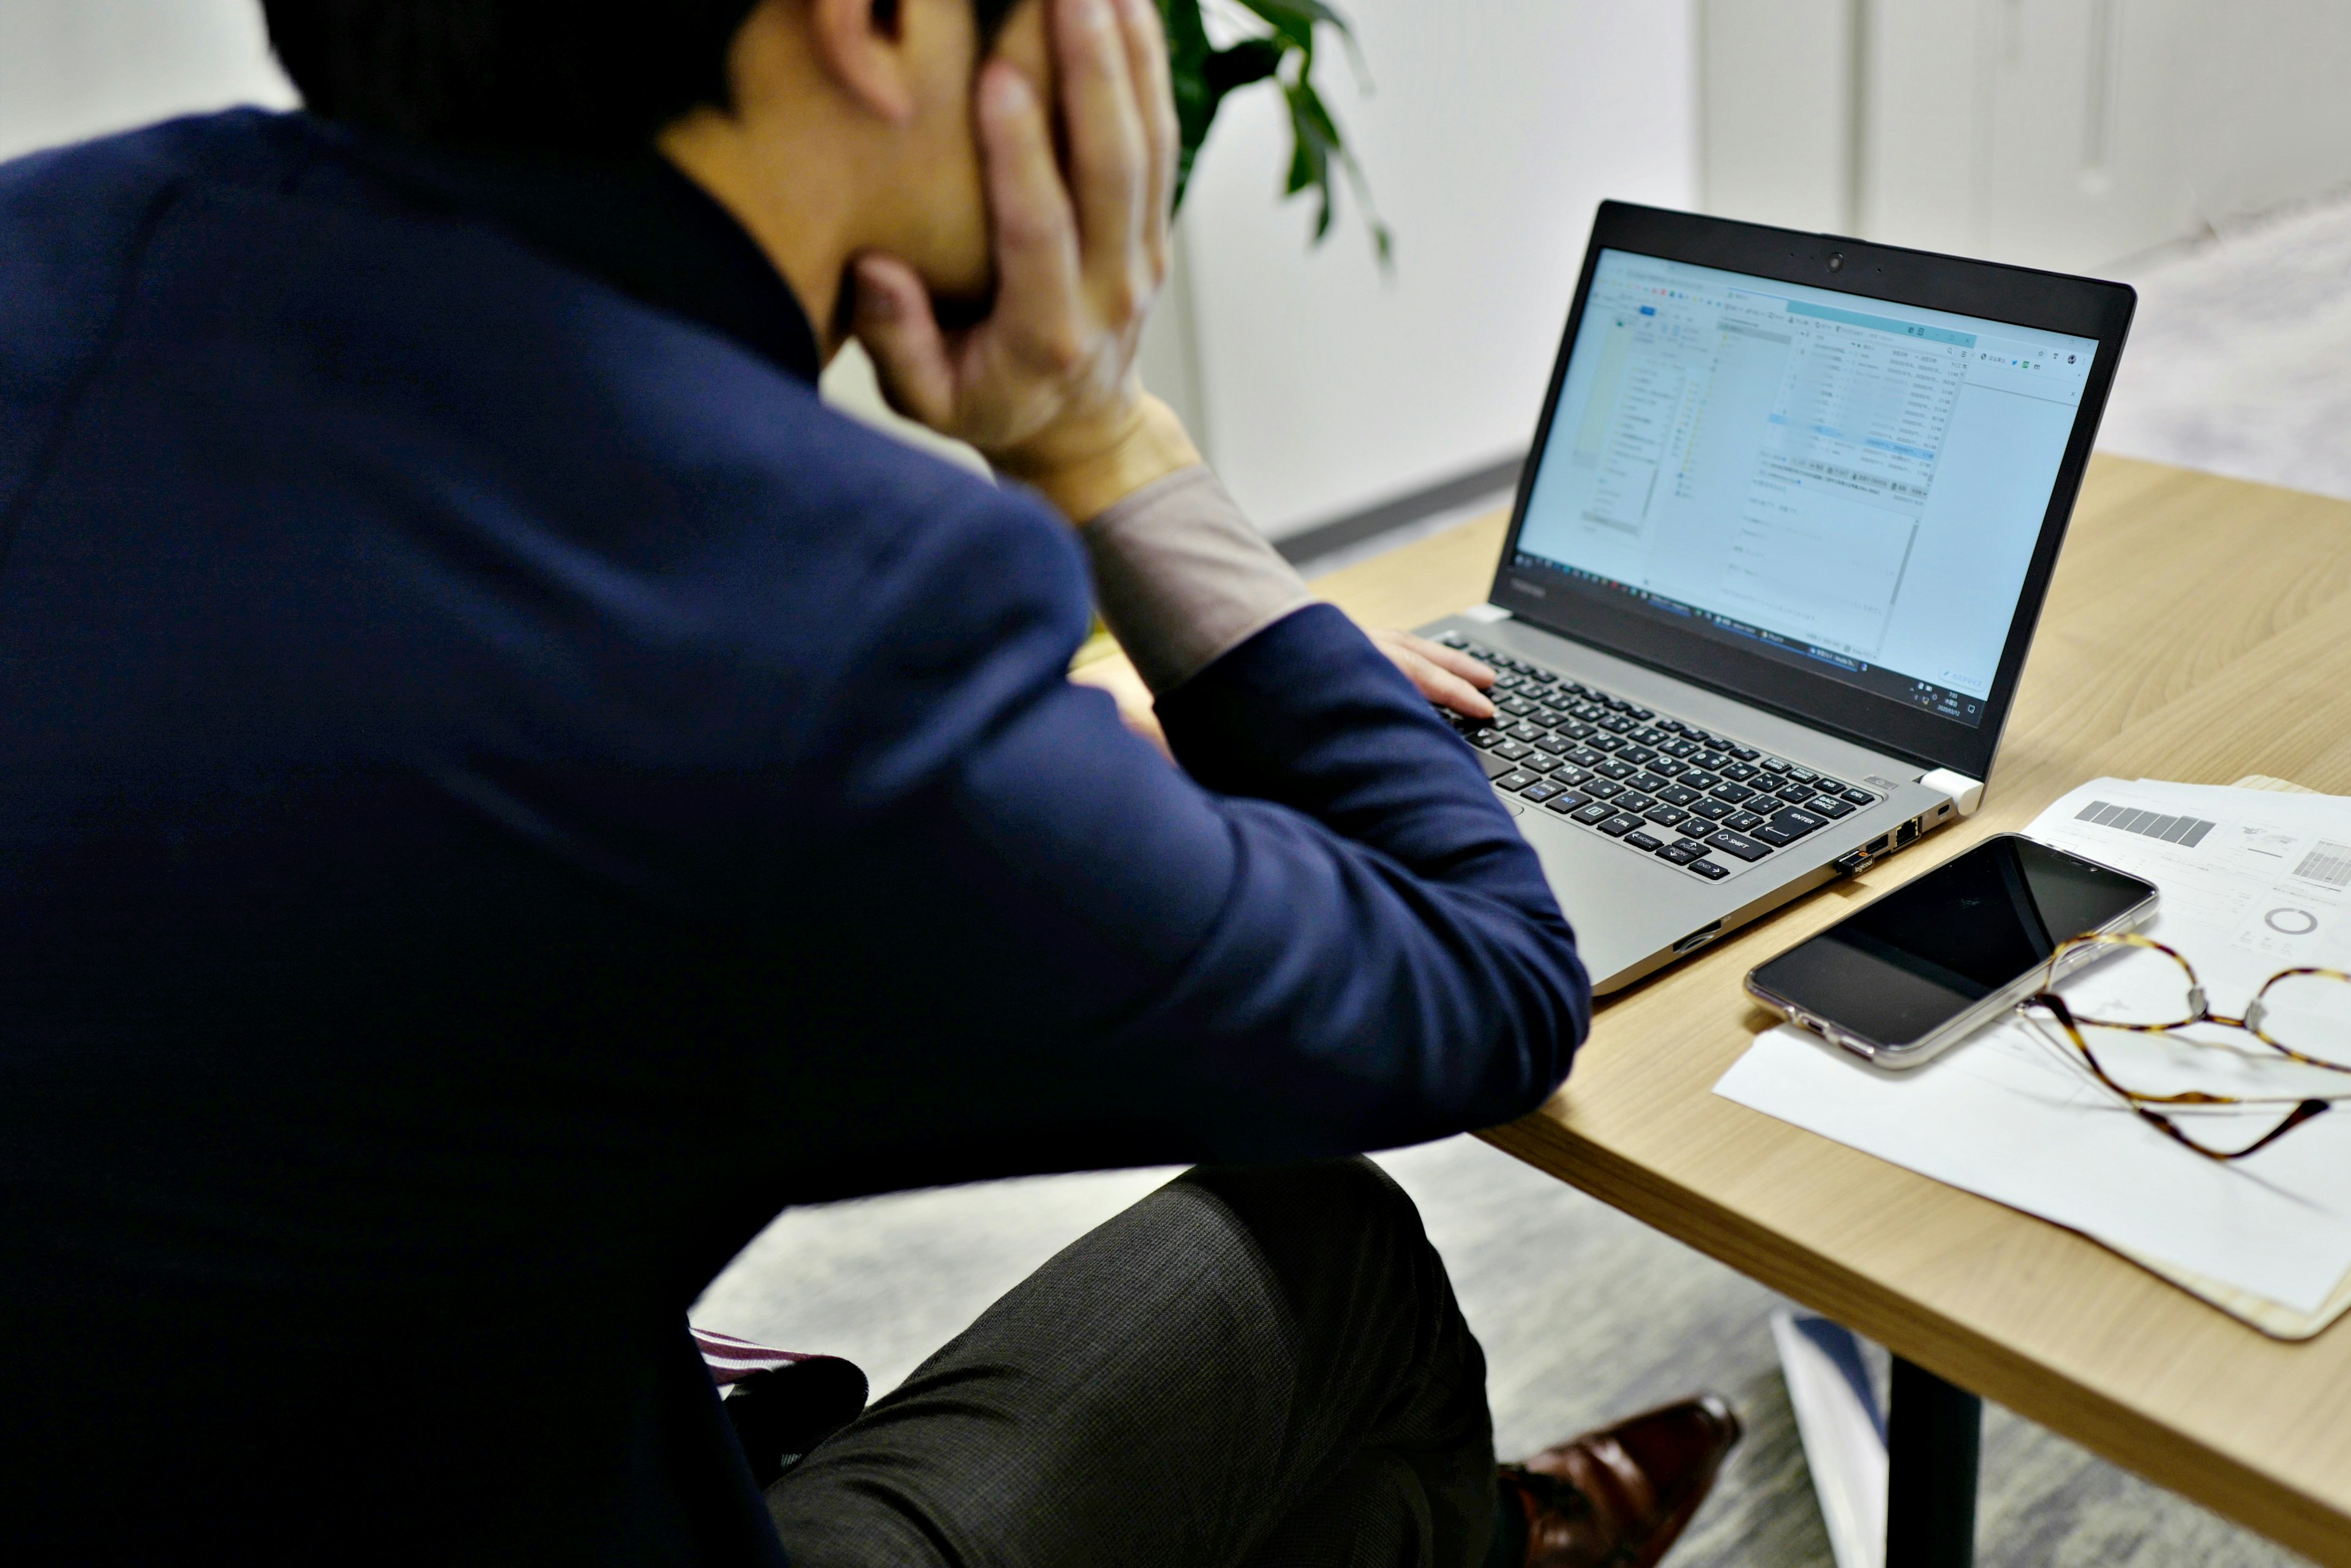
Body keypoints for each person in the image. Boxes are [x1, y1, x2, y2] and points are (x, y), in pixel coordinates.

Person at [0, 0, 1738, 1562]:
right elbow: (1493, 980)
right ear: (871, 24)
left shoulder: (57, 235)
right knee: (1337, 1265)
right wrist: (1092, 432)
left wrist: (1014, 776)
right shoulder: (803, 625)